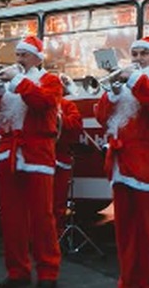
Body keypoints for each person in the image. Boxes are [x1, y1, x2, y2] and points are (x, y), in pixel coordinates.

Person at [95, 36, 149, 288]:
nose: (137, 58)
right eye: (134, 54)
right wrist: (112, 93)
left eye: (144, 53)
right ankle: (129, 281)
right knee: (125, 233)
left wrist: (133, 80)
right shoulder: (124, 85)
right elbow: (102, 117)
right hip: (122, 165)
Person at [0, 36, 63, 288]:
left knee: (42, 217)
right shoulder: (8, 85)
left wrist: (17, 81)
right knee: (12, 218)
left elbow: (42, 103)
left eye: (23, 55)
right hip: (9, 153)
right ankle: (17, 272)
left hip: (37, 153)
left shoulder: (50, 80)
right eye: (16, 55)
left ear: (38, 58)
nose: (18, 60)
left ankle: (48, 273)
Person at [52, 85, 84, 233]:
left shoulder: (67, 105)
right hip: (39, 156)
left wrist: (59, 118)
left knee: (58, 201)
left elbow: (76, 126)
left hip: (60, 156)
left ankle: (56, 233)